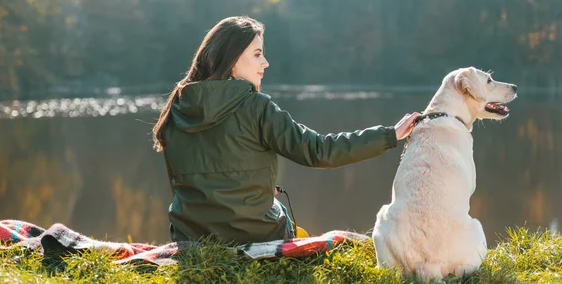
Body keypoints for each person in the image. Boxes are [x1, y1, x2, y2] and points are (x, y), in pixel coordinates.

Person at [153, 16, 420, 244]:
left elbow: (189, 182)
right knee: (278, 211)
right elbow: (319, 151)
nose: (265, 62)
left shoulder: (176, 107)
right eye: (257, 54)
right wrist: (389, 135)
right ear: (232, 59)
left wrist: (254, 188)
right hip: (253, 233)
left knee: (272, 201)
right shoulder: (256, 106)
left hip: (191, 235)